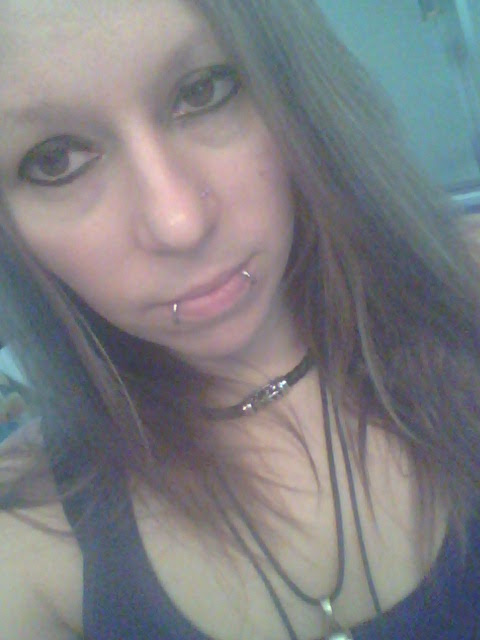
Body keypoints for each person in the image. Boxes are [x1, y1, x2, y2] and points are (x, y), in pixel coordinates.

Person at [0, 1, 479, 638]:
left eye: (204, 91)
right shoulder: (29, 540)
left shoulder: (466, 293)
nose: (179, 223)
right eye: (55, 159)